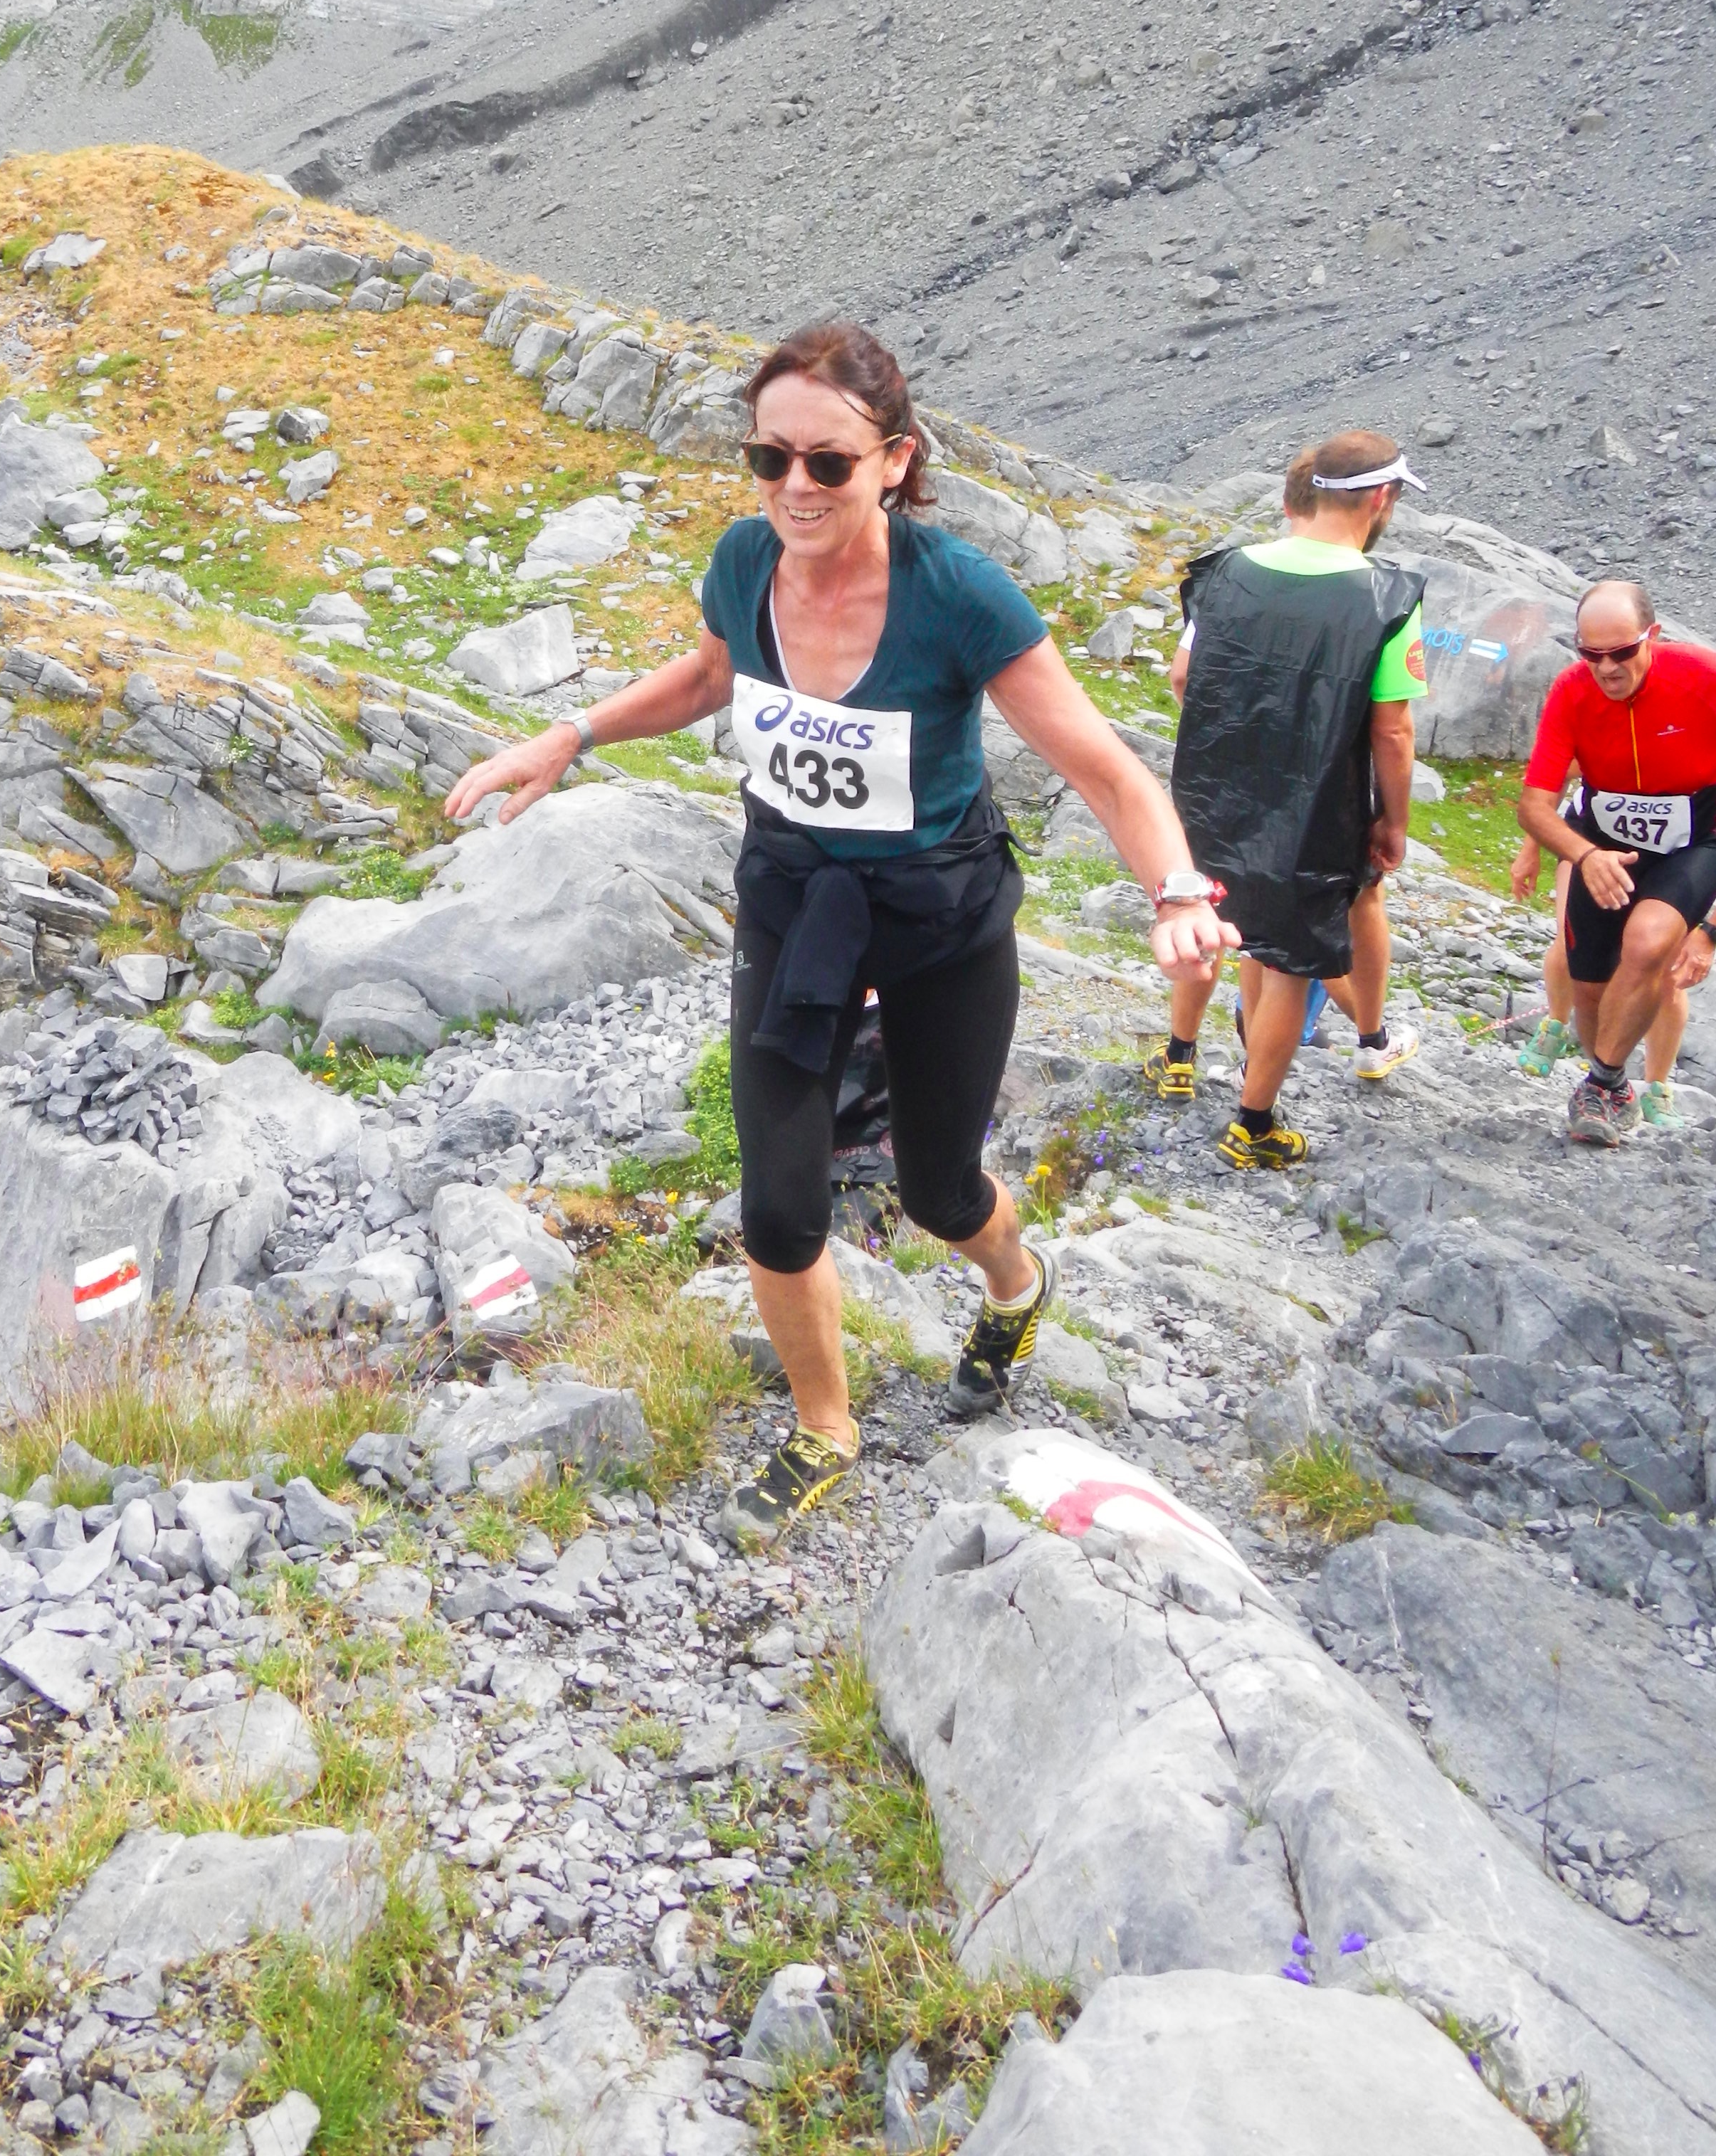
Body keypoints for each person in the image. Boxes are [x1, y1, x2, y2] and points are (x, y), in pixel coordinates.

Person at [445, 321, 1238, 1546]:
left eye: (827, 463)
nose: (795, 488)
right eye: (770, 459)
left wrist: (1177, 892)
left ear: (894, 460)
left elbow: (1105, 768)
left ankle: (1016, 1282)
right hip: (796, 899)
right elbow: (710, 678)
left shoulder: (958, 594)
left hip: (938, 915)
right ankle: (825, 1427)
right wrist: (573, 734)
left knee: (937, 1189)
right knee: (778, 1204)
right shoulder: (742, 561)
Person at [1155, 430, 1427, 1169]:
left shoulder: (1226, 571)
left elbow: (1183, 677)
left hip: (1214, 787)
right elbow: (1393, 731)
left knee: (1218, 922)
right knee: (1288, 963)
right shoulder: (1387, 597)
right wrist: (1393, 820)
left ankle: (1179, 1056)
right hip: (1315, 802)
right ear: (1380, 498)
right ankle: (1253, 1123)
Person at [1516, 579, 1716, 1145]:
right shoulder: (1571, 691)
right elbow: (1534, 806)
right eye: (1592, 654)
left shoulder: (1708, 674)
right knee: (1589, 985)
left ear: (1652, 636)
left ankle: (1601, 1082)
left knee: (1646, 945)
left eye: (1622, 652)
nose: (1608, 668)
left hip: (1696, 841)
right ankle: (1611, 1085)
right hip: (1604, 845)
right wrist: (1584, 855)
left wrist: (1715, 927)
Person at [1512, 829, 1693, 1125]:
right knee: (1571, 944)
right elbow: (1543, 800)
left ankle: (1657, 1087)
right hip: (1590, 844)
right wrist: (1530, 848)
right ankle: (1556, 1026)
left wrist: (1714, 927)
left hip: (1673, 857)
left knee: (1667, 973)